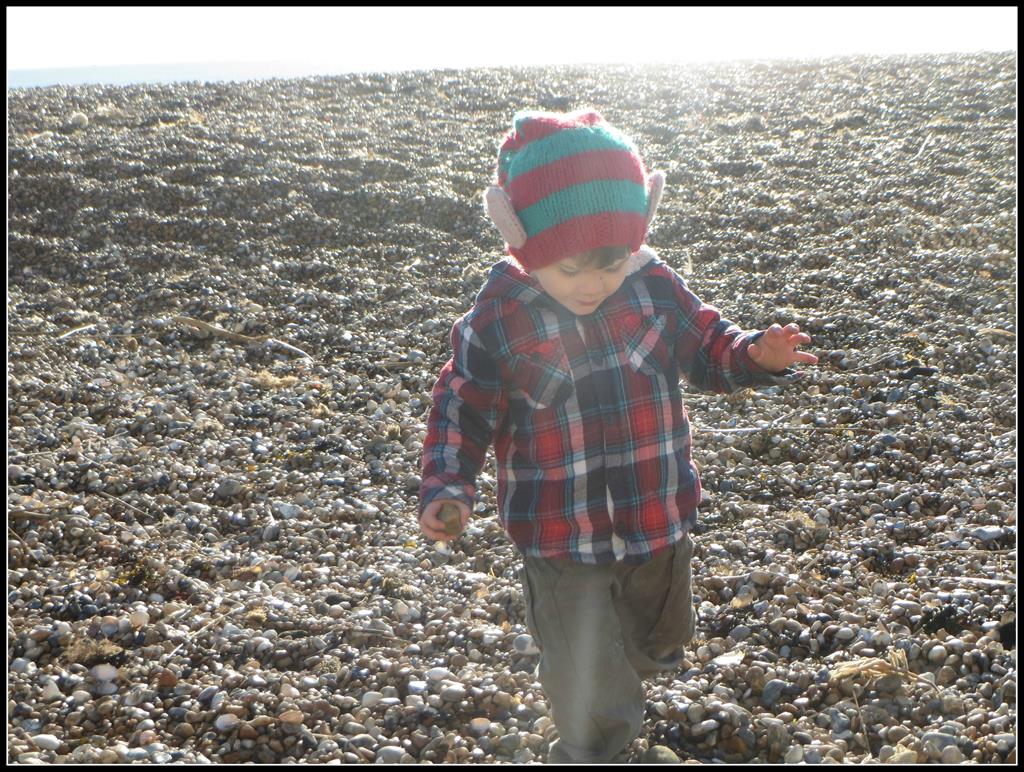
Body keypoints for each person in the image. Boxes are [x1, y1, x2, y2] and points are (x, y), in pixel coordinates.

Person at [418, 108, 818, 763]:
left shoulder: (652, 288)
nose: (593, 285)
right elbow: (463, 410)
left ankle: (633, 669)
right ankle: (592, 745)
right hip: (558, 530)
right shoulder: (499, 318)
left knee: (657, 637)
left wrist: (755, 355)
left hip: (654, 516)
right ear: (524, 245)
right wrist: (448, 485)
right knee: (585, 664)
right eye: (571, 269)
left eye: (610, 264)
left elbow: (706, 345)